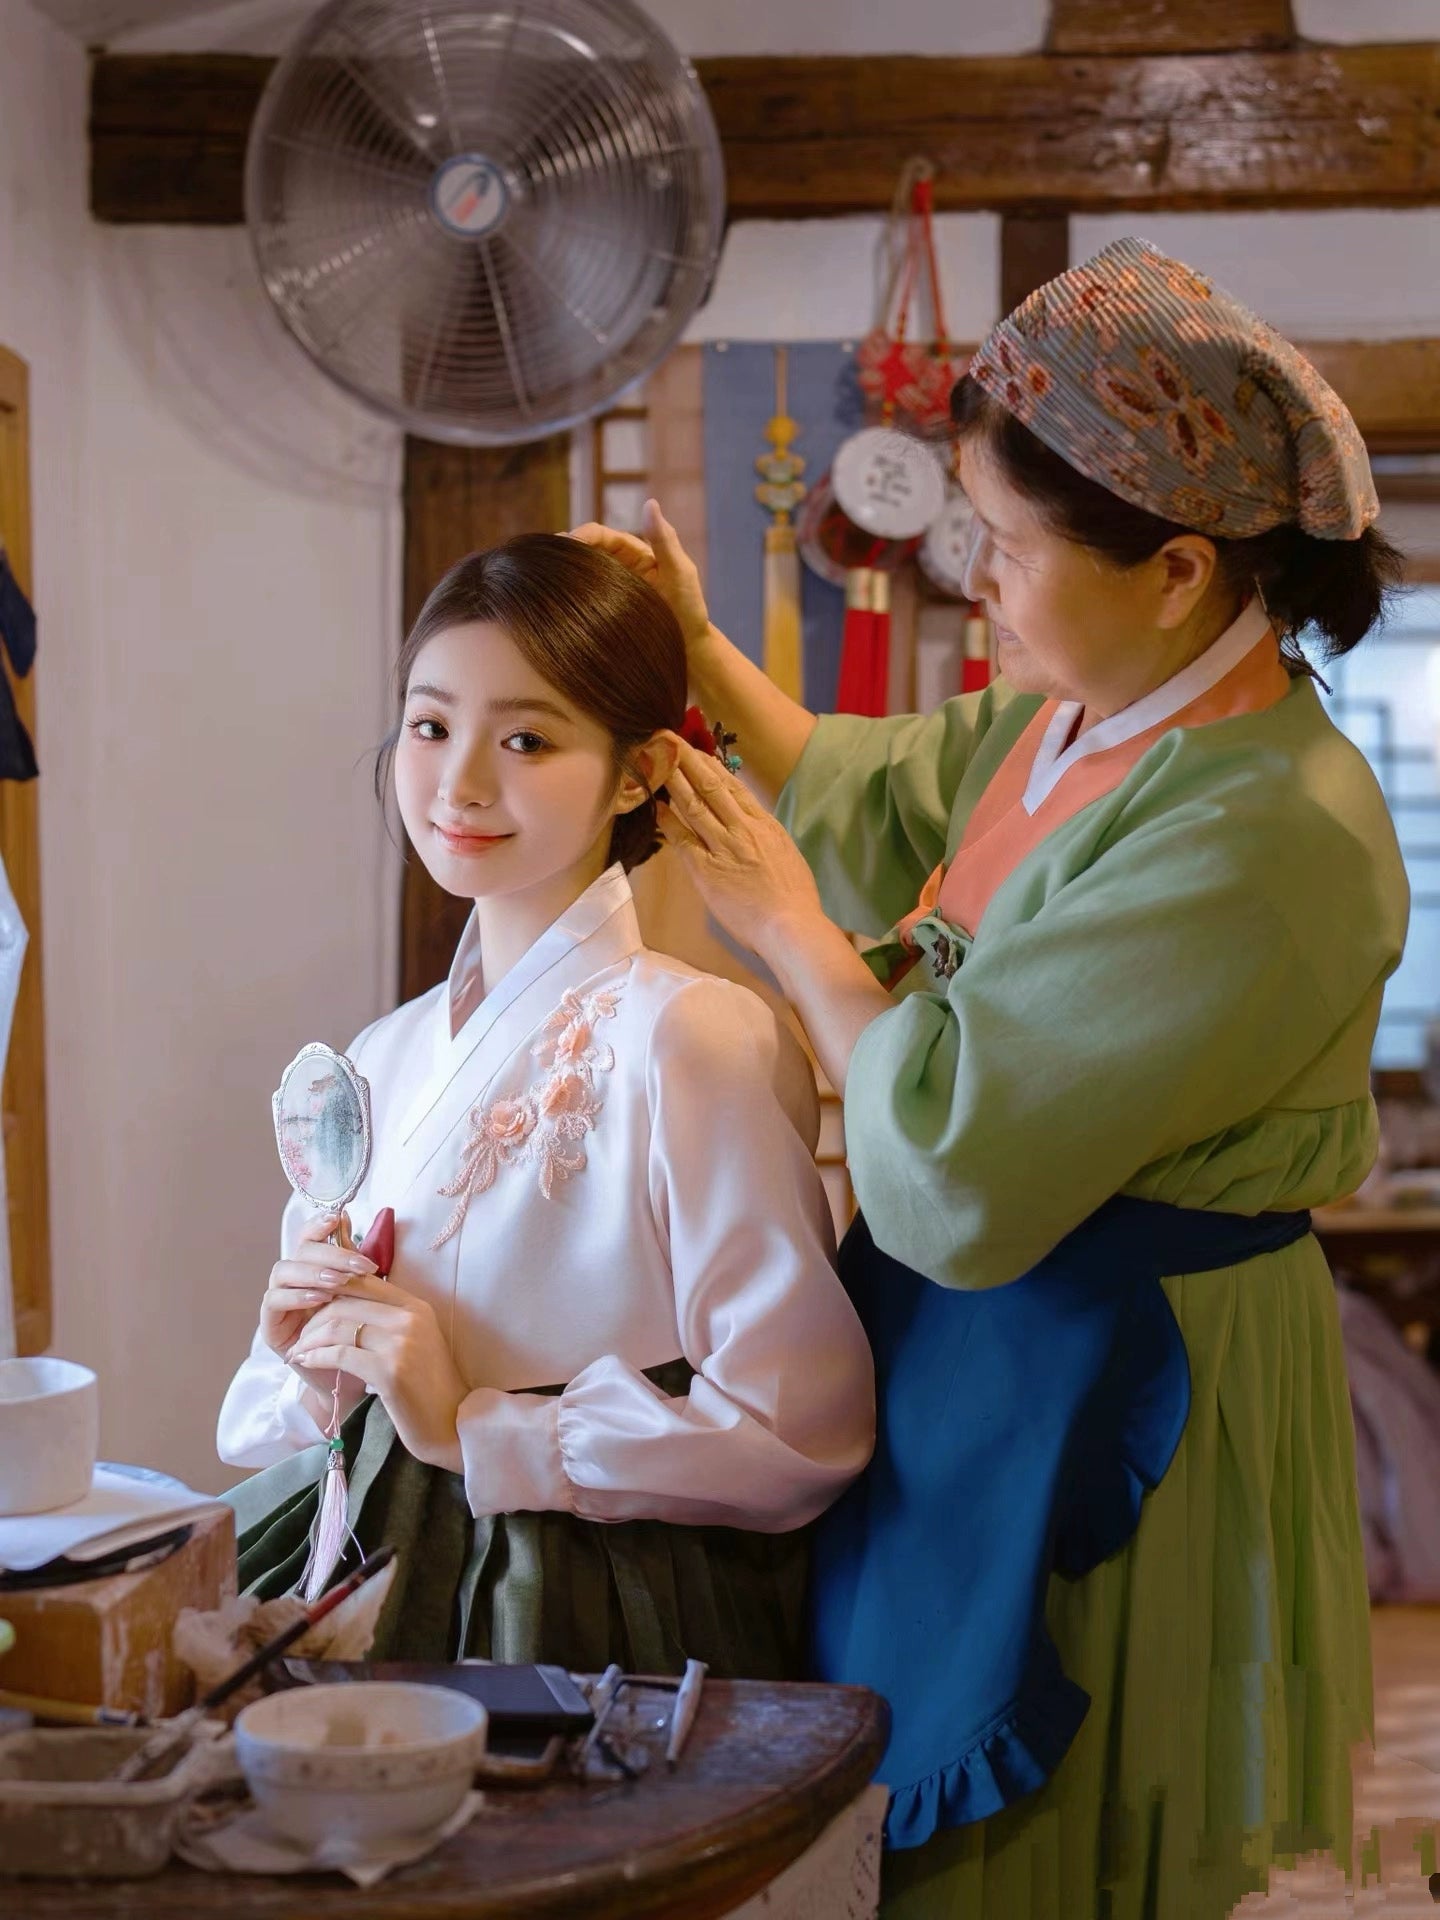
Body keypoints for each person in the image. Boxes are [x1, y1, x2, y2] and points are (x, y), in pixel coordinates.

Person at [574, 237, 1410, 1916]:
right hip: (994, 1332)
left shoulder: (1268, 832)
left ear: (1178, 570)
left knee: (1079, 1818)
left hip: (1121, 1363)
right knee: (945, 1813)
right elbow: (879, 788)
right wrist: (698, 645)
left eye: (1010, 547)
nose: (981, 580)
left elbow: (956, 1169)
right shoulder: (1096, 711)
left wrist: (796, 939)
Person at [217, 533, 874, 1678]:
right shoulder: (379, 1055)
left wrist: (480, 1428)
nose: (460, 781)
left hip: (590, 1606)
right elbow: (292, 1424)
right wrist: (306, 1350)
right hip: (370, 1570)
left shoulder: (692, 1036)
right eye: (430, 725)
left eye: (525, 738)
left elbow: (800, 1433)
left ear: (637, 771)